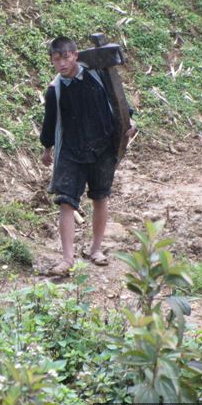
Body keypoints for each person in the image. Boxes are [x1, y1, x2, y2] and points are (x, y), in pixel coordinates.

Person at [39, 36, 136, 277]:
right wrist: (47, 148)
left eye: (66, 57)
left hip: (102, 147)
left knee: (100, 197)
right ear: (52, 62)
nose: (62, 63)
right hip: (71, 151)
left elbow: (117, 98)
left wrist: (129, 120)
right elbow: (49, 122)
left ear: (75, 55)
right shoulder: (55, 91)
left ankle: (95, 249)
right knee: (66, 202)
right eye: (56, 59)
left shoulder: (97, 76)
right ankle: (67, 258)